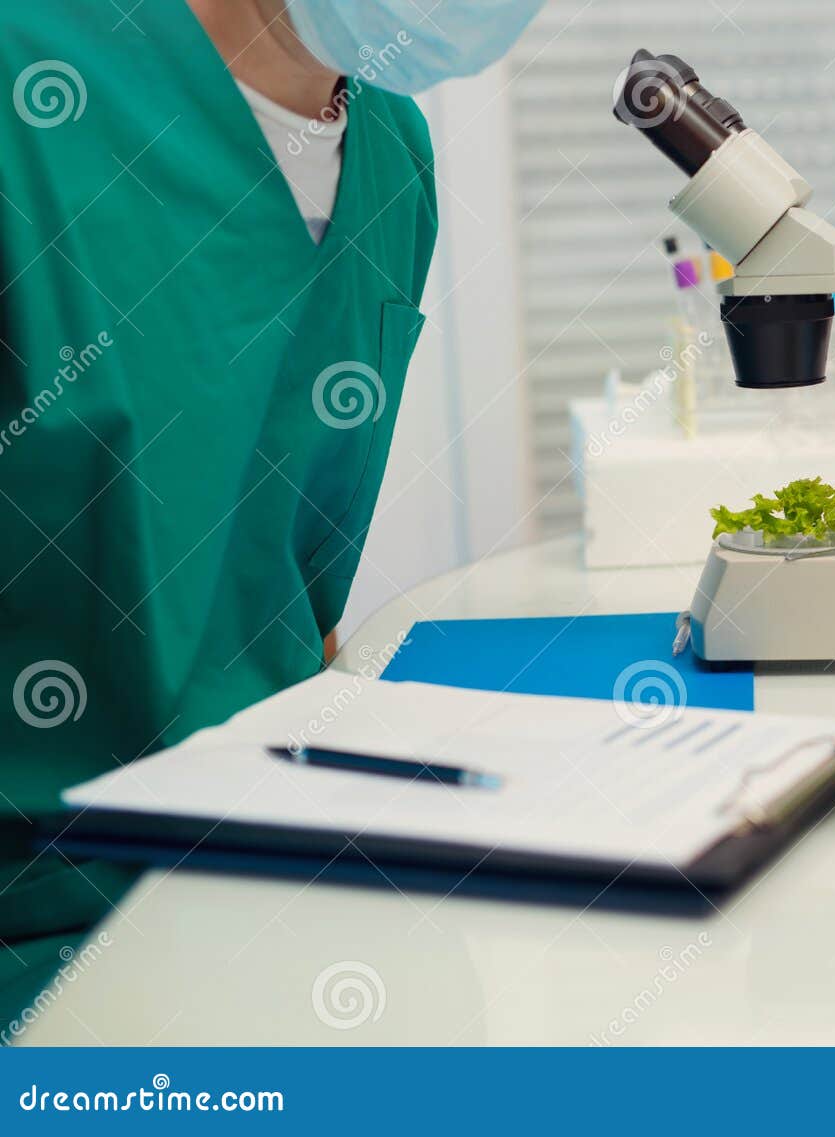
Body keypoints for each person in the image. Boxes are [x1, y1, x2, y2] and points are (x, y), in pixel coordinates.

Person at [0, 0, 543, 1028]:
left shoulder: (390, 155)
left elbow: (287, 590)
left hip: (272, 888)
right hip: (39, 935)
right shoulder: (29, 91)